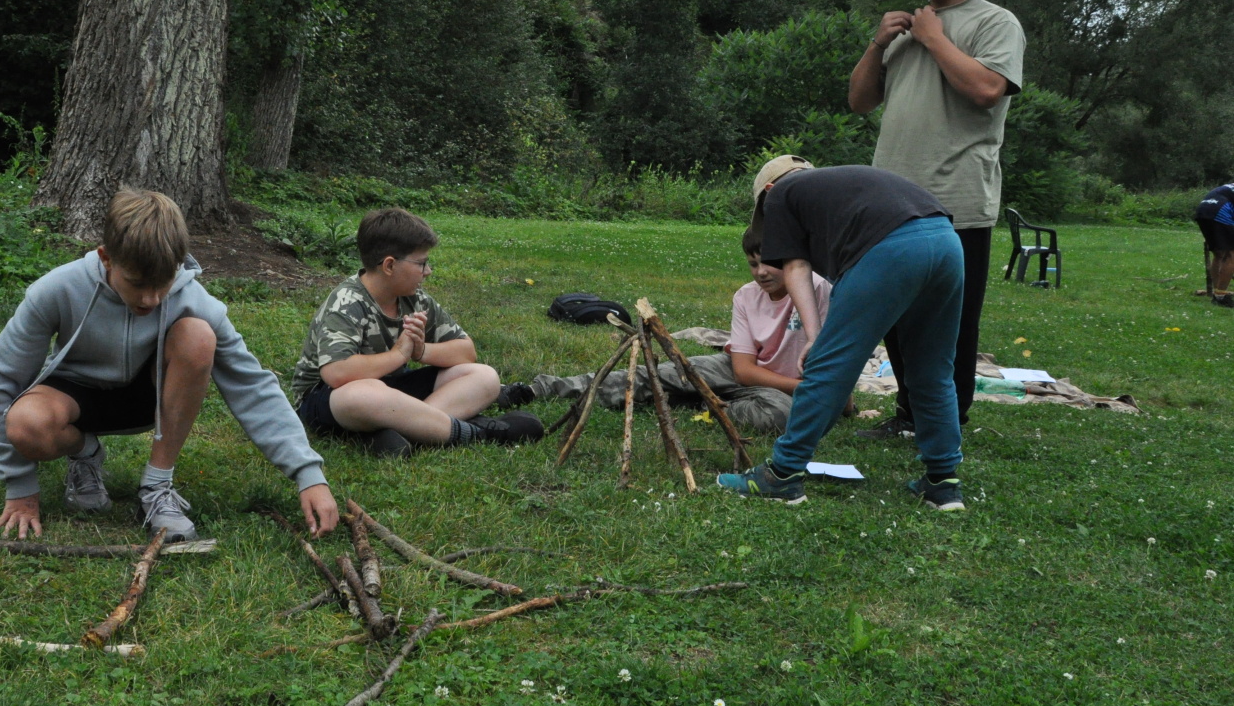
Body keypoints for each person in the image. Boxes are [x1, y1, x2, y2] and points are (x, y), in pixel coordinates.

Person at [0, 187, 338, 543]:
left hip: (150, 398)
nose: (150, 299)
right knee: (25, 424)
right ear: (106, 258)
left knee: (198, 335)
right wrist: (20, 489)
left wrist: (308, 474)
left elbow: (252, 385)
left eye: (163, 284)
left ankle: (157, 487)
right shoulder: (57, 289)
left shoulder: (194, 299)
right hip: (73, 396)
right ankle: (84, 451)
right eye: (136, 283)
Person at [847, 0, 1025, 439]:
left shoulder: (994, 22)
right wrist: (878, 43)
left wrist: (933, 38)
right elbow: (859, 102)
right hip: (891, 199)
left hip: (955, 198)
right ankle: (909, 415)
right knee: (896, 315)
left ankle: (945, 420)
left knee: (951, 321)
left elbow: (987, 90)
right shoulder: (904, 29)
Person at [716, 156, 967, 510]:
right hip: (946, 244)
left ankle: (782, 475)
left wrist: (815, 339)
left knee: (828, 367)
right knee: (933, 369)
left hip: (889, 249)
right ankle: (942, 482)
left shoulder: (782, 193)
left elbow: (796, 265)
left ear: (768, 191)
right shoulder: (843, 185)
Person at [291, 207, 544, 458]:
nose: (428, 271)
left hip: (391, 391)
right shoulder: (347, 302)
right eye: (421, 263)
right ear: (389, 265)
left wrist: (422, 351)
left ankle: (406, 431)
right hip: (328, 398)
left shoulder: (415, 298)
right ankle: (478, 433)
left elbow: (466, 352)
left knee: (484, 376)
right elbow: (336, 373)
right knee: (361, 394)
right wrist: (400, 354)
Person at [524, 229, 832, 433]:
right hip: (742, 371)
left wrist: (828, 396)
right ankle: (544, 389)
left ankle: (702, 401)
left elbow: (835, 361)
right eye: (753, 264)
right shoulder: (746, 296)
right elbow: (743, 369)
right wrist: (806, 390)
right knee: (655, 375)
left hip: (781, 392)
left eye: (770, 262)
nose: (761, 272)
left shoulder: (819, 291)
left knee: (779, 416)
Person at [1195, 182, 1234, 307]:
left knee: (1219, 254)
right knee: (1230, 255)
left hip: (1203, 210)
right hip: (1220, 212)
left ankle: (1217, 293)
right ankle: (1221, 297)